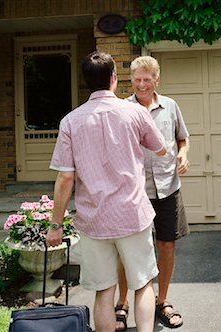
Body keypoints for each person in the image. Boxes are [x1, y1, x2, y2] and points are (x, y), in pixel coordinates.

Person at [46, 51, 167, 332]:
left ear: (87, 81)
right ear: (114, 78)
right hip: (132, 215)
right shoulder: (135, 112)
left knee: (104, 291)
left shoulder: (71, 121)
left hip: (94, 220)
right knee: (143, 283)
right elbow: (160, 148)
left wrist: (55, 225)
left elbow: (65, 178)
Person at [115, 55, 190, 330]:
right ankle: (122, 304)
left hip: (168, 188)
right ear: (131, 80)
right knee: (128, 251)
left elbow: (182, 137)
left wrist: (183, 154)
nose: (142, 84)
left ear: (156, 79)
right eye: (137, 80)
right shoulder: (122, 109)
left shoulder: (170, 106)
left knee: (167, 246)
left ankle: (162, 301)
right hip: (134, 192)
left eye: (147, 79)